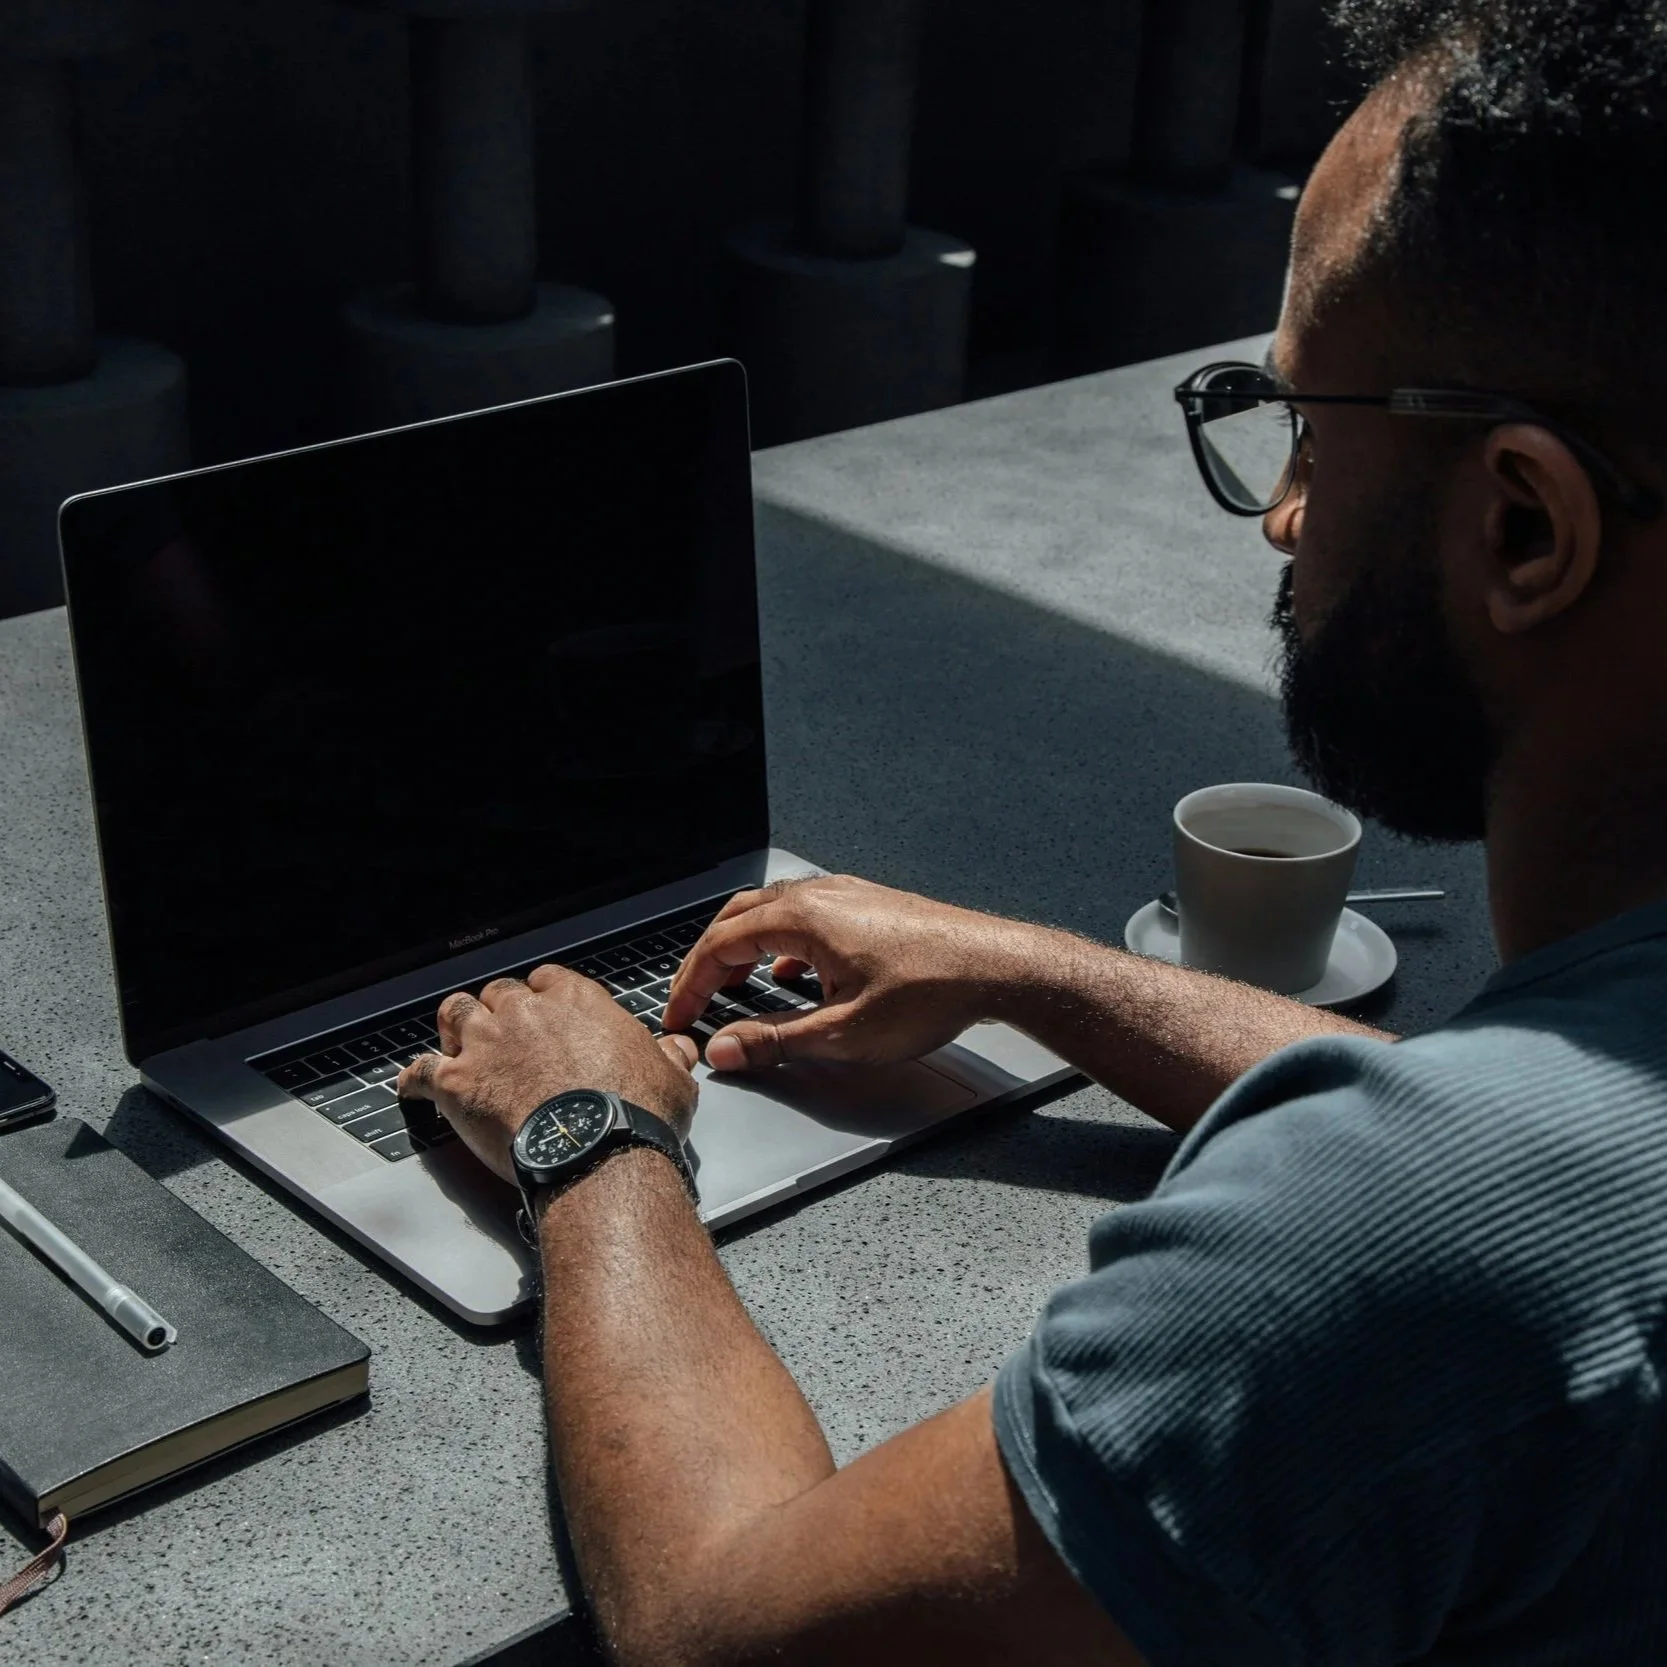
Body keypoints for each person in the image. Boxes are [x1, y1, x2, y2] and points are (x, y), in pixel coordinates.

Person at [397, 3, 1667, 1661]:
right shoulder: (1558, 1135)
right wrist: (1040, 975)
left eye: (1307, 422)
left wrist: (587, 1138)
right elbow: (1520, 1135)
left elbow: (717, 1629)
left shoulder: (1399, 1251)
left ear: (1521, 525)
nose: (1282, 514)